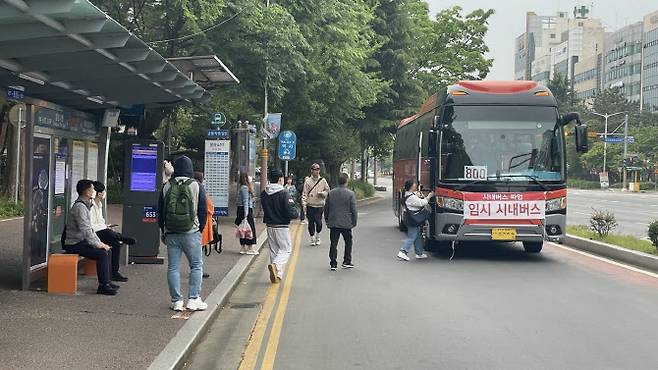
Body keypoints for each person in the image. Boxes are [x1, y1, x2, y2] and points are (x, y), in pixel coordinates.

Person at [159, 155, 208, 311]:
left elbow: (161, 211)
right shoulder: (197, 186)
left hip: (171, 232)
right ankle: (193, 299)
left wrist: (163, 231)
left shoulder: (166, 186)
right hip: (191, 232)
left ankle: (176, 301)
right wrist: (199, 229)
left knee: (173, 267)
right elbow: (202, 210)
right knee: (196, 266)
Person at [63, 179, 117, 295]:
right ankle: (103, 286)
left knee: (107, 251)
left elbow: (90, 230)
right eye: (92, 189)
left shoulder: (86, 205)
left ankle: (107, 282)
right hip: (73, 243)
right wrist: (99, 244)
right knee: (102, 253)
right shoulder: (80, 207)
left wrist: (100, 243)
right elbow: (86, 230)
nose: (94, 191)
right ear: (87, 192)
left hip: (81, 241)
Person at [89, 181, 135, 282]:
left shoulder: (99, 204)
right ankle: (120, 236)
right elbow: (91, 226)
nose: (105, 193)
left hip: (101, 231)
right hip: (92, 234)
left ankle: (114, 272)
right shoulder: (90, 206)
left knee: (115, 244)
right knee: (109, 234)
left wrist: (105, 226)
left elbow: (100, 221)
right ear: (99, 193)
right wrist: (104, 227)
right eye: (103, 191)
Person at [261, 169, 299, 283]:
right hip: (281, 225)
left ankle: (277, 275)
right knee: (286, 249)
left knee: (274, 250)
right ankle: (276, 266)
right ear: (280, 179)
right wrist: (296, 213)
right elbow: (290, 211)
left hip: (269, 224)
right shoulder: (283, 193)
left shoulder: (264, 193)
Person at [323, 173, 358, 271]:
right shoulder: (350, 194)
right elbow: (353, 210)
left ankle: (333, 263)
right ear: (346, 181)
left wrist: (327, 219)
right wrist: (354, 221)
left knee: (333, 243)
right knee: (348, 242)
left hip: (333, 221)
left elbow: (326, 208)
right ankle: (347, 261)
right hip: (346, 223)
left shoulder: (331, 193)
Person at [397, 179, 434, 261]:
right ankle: (403, 251)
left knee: (417, 236)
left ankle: (419, 253)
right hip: (412, 220)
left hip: (410, 218)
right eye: (414, 185)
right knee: (412, 236)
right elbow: (423, 203)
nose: (415, 186)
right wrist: (429, 196)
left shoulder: (409, 195)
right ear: (411, 187)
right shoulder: (412, 197)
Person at [301, 163, 330, 246]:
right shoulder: (308, 181)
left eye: (317, 170)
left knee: (319, 222)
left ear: (319, 170)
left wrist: (323, 194)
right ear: (311, 171)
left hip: (320, 205)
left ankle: (318, 235)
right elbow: (304, 193)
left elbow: (328, 190)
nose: (316, 171)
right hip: (310, 205)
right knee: (311, 222)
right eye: (314, 170)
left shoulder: (323, 181)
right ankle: (312, 237)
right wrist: (304, 204)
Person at [194, 172, 213, 279]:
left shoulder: (190, 188)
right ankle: (197, 271)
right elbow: (210, 207)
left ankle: (196, 270)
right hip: (201, 224)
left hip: (191, 223)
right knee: (198, 251)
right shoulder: (201, 190)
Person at [235, 173, 258, 255]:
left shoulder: (242, 188)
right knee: (249, 229)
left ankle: (243, 247)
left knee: (243, 229)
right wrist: (246, 213)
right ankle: (250, 247)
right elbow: (245, 201)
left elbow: (240, 201)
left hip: (242, 209)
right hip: (246, 210)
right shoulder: (245, 188)